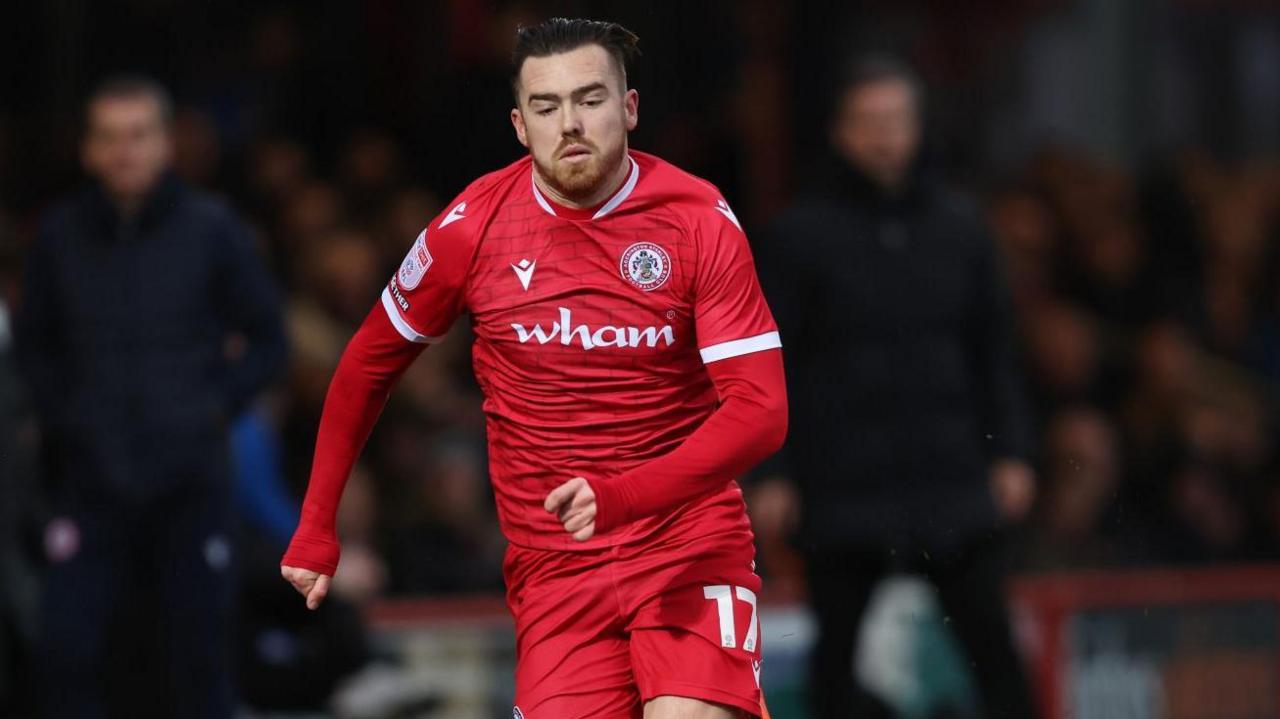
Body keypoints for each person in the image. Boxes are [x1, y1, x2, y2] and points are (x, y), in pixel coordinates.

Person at [281, 18, 787, 719]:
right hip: (554, 570)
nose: (571, 123)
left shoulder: (697, 219)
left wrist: (623, 495)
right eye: (548, 108)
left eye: (590, 99)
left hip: (685, 546)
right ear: (520, 125)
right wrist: (317, 522)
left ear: (629, 108)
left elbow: (762, 412)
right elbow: (368, 361)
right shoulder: (473, 226)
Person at [755, 57, 1038, 718]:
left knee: (993, 647)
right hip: (843, 482)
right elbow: (771, 361)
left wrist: (1013, 451)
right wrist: (773, 470)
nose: (884, 137)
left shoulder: (962, 227)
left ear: (917, 127)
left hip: (951, 476)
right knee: (836, 657)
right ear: (840, 131)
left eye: (896, 120)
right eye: (869, 122)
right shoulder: (800, 235)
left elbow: (993, 349)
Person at [17, 75, 287, 718]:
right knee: (68, 655)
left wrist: (210, 407)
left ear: (166, 144)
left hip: (190, 486)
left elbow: (268, 339)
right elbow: (34, 350)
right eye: (109, 137)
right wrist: (70, 419)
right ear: (88, 149)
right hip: (92, 487)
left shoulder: (212, 229)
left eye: (138, 135)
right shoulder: (58, 237)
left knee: (198, 660)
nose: (124, 152)